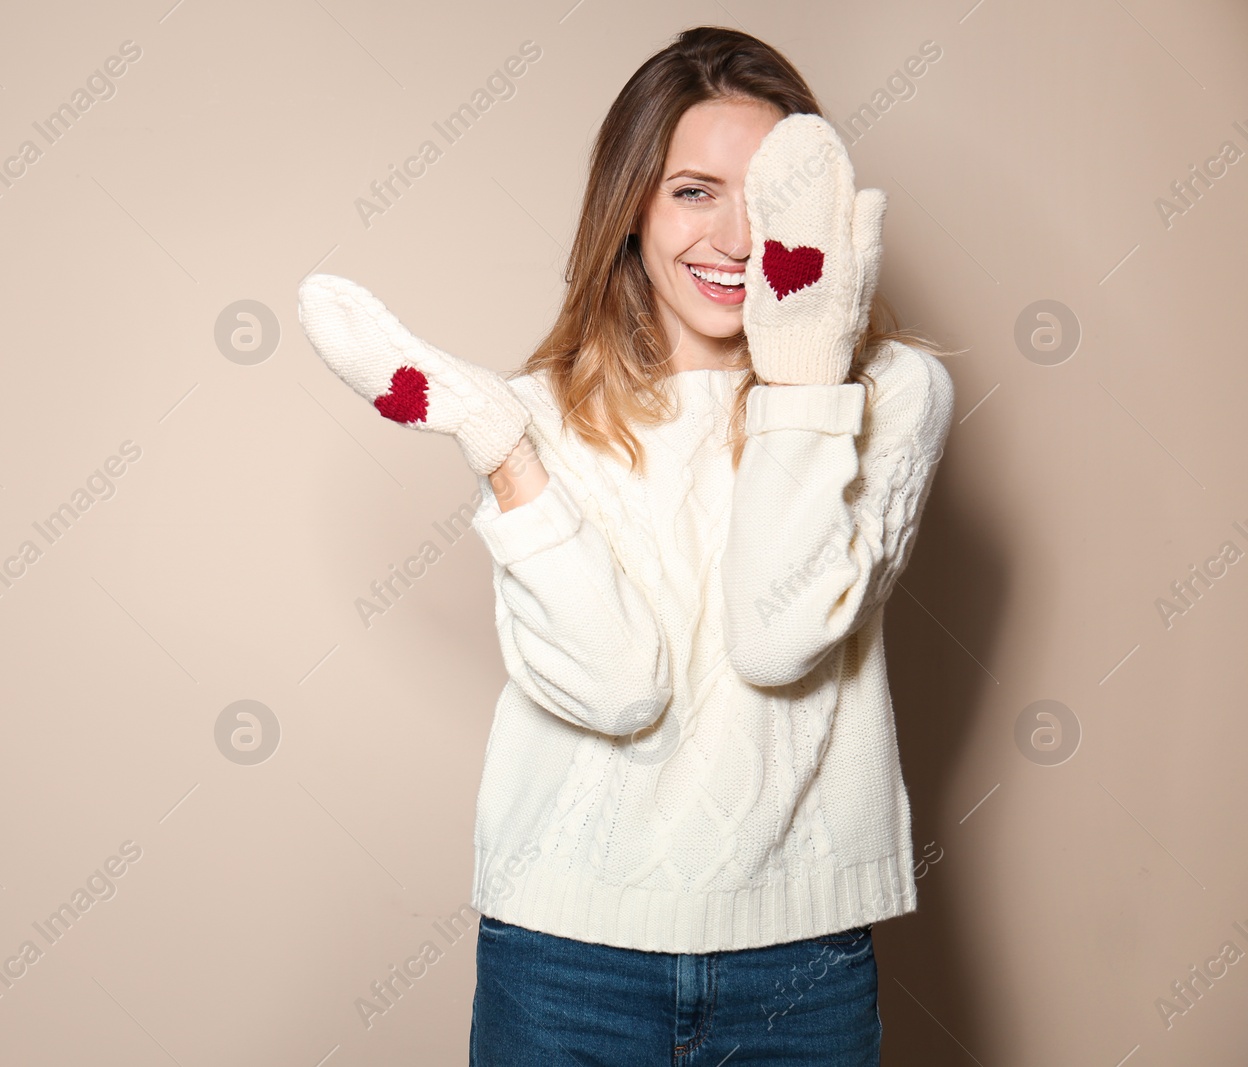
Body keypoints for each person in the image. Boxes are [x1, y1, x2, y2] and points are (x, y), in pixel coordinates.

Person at [297, 25, 955, 1066]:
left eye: (771, 197)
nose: (739, 236)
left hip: (799, 963)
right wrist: (503, 450)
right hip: (566, 956)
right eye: (695, 190)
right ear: (632, 211)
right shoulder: (533, 414)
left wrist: (801, 377)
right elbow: (614, 688)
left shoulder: (889, 395)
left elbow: (777, 636)